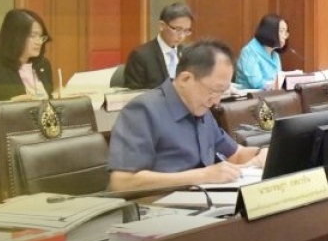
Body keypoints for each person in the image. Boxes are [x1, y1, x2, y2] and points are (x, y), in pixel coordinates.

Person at [107, 39, 266, 191]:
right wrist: (202, 176)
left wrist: (262, 154)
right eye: (214, 90)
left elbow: (235, 154)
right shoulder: (143, 110)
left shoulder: (202, 110)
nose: (216, 101)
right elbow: (122, 182)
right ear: (185, 79)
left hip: (204, 201)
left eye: (222, 92)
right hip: (159, 205)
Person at [122, 3, 195, 90]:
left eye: (186, 31)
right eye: (178, 30)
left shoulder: (188, 53)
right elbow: (133, 93)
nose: (182, 36)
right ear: (162, 26)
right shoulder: (140, 56)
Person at [235, 14, 288, 90]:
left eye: (286, 32)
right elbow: (257, 83)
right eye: (281, 31)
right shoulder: (249, 52)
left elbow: (278, 81)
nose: (284, 36)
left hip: (270, 95)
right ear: (269, 31)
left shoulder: (275, 54)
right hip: (249, 96)